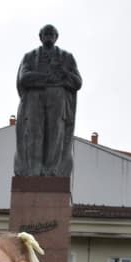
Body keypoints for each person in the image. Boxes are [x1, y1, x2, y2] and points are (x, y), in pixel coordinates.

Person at [14, 24, 82, 177]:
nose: (49, 36)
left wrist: (63, 72)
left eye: (52, 34)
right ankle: (33, 170)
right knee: (34, 132)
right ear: (40, 37)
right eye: (46, 33)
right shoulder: (29, 56)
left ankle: (52, 171)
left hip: (57, 98)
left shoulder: (67, 57)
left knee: (56, 133)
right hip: (34, 98)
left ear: (56, 37)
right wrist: (51, 78)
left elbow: (77, 82)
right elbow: (24, 79)